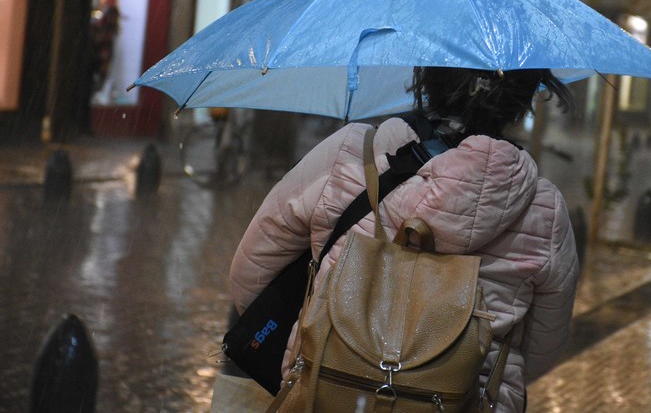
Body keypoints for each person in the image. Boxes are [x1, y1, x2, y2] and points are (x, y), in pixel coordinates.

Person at [219, 67, 581, 412]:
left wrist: (318, 342)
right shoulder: (545, 211)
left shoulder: (352, 154)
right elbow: (541, 349)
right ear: (523, 95)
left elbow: (251, 275)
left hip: (322, 396)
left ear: (428, 75)